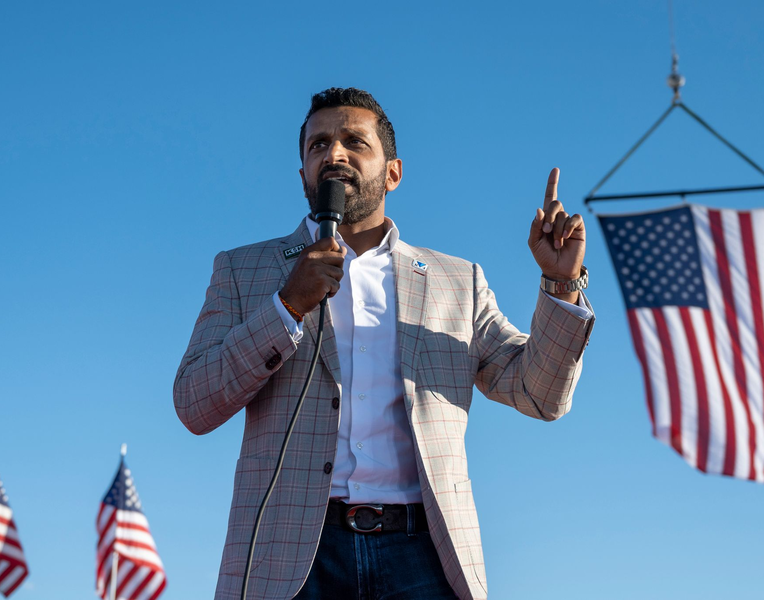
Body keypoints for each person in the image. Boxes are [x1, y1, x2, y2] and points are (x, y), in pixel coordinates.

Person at [174, 87, 594, 600]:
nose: (334, 154)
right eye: (318, 145)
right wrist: (286, 306)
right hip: (291, 559)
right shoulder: (244, 271)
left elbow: (539, 393)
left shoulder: (456, 281)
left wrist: (561, 286)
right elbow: (194, 403)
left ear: (393, 172)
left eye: (355, 141)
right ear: (302, 173)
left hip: (424, 556)